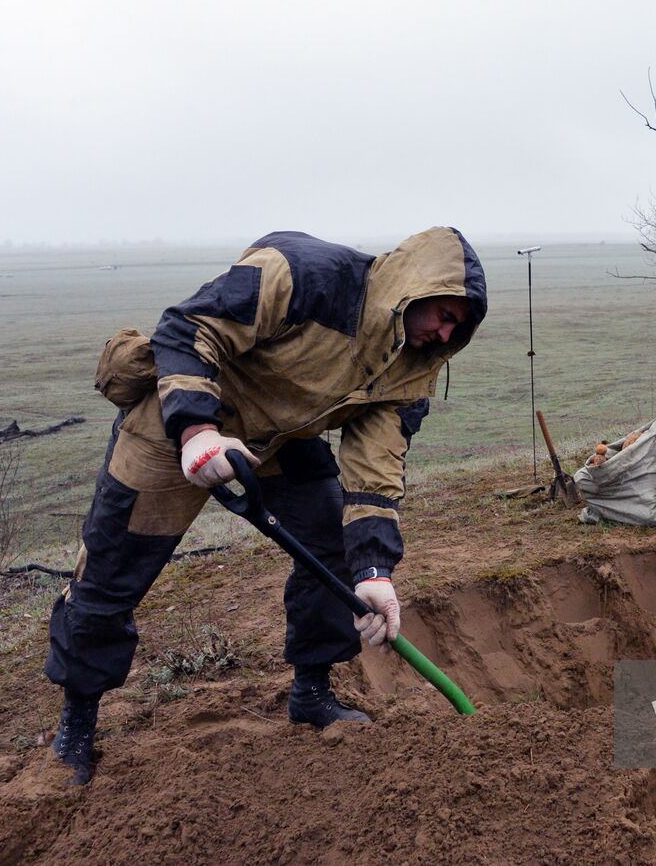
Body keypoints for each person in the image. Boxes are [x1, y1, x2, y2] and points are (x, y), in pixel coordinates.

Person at [44, 228, 487, 784]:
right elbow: (188, 327)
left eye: (457, 328)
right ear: (413, 287)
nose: (443, 333)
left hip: (273, 440)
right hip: (176, 424)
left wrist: (374, 569)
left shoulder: (415, 366)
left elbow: (377, 466)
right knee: (111, 573)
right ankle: (76, 728)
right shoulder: (302, 276)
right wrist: (198, 431)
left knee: (331, 546)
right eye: (442, 314)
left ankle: (312, 692)